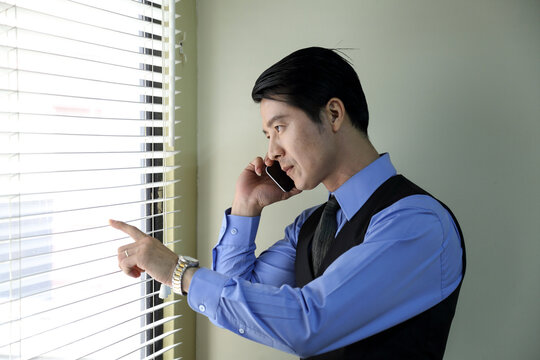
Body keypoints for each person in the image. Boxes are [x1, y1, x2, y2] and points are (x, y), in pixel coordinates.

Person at [111, 47, 465, 359]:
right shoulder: (309, 227)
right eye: (268, 136)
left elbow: (307, 322)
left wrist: (179, 272)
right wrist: (245, 206)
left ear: (334, 114)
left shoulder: (417, 223)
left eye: (280, 127)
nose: (272, 153)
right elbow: (239, 298)